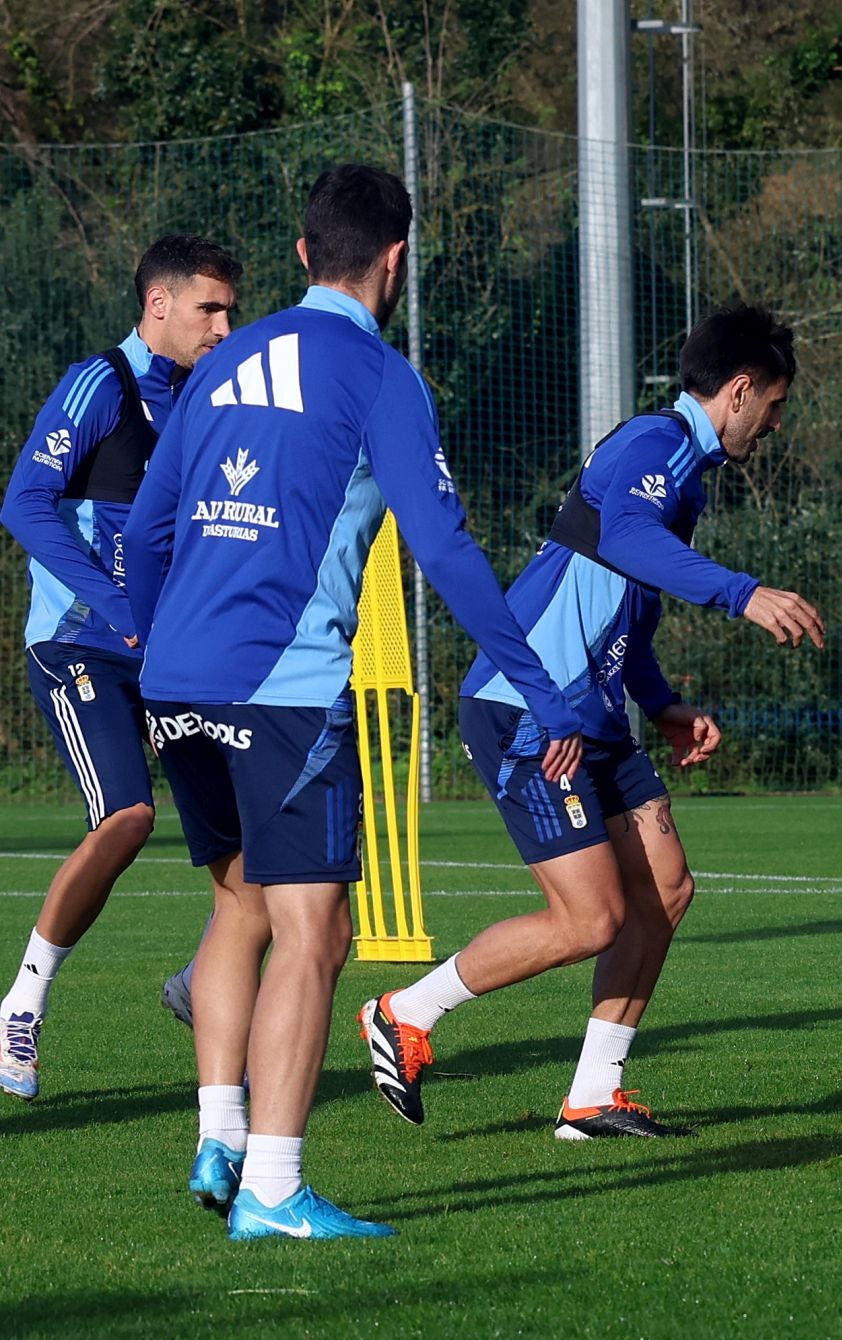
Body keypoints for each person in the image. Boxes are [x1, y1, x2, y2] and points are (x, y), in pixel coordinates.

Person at [124, 164, 584, 1240]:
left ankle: (221, 1130)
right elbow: (446, 550)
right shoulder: (381, 375)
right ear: (395, 261)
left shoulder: (222, 358)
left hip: (176, 681)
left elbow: (147, 529)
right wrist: (537, 679)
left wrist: (156, 637)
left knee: (242, 904)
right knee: (318, 931)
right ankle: (275, 1190)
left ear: (298, 256)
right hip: (279, 686)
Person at [360, 305, 824, 1139]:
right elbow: (631, 540)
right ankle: (404, 1011)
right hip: (527, 706)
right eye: (777, 405)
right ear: (742, 390)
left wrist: (665, 707)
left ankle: (592, 1097)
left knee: (666, 890)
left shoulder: (684, 470)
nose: (778, 424)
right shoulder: (656, 445)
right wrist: (743, 593)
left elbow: (624, 605)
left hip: (594, 712)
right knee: (590, 919)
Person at [0, 235, 241, 1103]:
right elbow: (24, 503)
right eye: (209, 308)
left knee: (252, 860)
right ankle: (23, 1002)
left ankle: (196, 983)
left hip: (175, 656)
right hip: (80, 643)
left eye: (229, 309)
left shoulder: (212, 400)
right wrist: (115, 605)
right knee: (129, 814)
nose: (223, 324)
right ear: (159, 305)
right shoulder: (98, 384)